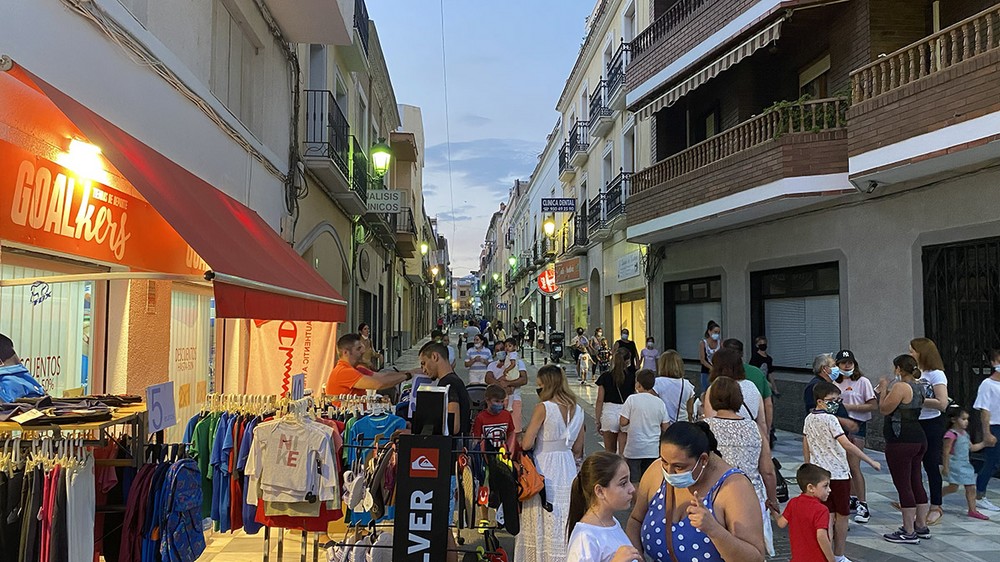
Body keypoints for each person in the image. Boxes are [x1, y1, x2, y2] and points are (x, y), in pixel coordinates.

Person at [625, 421, 766, 561]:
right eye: (664, 462)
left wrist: (714, 530)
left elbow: (755, 557)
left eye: (679, 467)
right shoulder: (656, 471)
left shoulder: (735, 488)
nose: (669, 472)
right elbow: (636, 520)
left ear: (703, 460)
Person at [804, 381, 881, 561]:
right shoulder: (831, 420)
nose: (836, 404)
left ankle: (826, 554)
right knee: (842, 516)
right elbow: (846, 444)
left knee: (826, 516)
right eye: (832, 400)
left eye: (838, 400)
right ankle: (838, 555)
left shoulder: (809, 419)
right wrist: (870, 460)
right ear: (820, 401)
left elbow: (805, 444)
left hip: (818, 475)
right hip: (837, 475)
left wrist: (807, 465)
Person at [703, 376, 778, 556]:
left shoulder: (704, 427)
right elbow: (767, 470)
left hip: (714, 496)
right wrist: (772, 499)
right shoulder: (754, 428)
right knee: (750, 551)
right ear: (738, 398)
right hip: (751, 497)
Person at [516, 365, 585, 562]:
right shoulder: (578, 409)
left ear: (546, 385)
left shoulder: (543, 407)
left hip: (543, 466)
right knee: (564, 515)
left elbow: (528, 442)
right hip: (568, 466)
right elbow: (578, 448)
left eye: (539, 385)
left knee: (539, 515)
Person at [877, 354, 930, 544]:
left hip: (901, 440)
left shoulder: (900, 387)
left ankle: (908, 531)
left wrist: (883, 390)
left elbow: (884, 409)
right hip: (918, 438)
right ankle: (921, 525)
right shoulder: (921, 385)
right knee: (916, 480)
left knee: (903, 484)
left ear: (899, 369)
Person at [566, 452, 642, 562]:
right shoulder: (585, 537)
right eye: (623, 483)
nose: (632, 489)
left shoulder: (611, 521)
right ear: (600, 491)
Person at [831, 349, 877, 524]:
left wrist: (850, 407)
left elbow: (872, 405)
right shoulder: (835, 382)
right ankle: (850, 496)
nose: (847, 366)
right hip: (839, 424)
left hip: (857, 423)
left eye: (849, 363)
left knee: (854, 464)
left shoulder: (862, 382)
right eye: (843, 363)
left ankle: (863, 503)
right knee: (842, 464)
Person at [910, 337, 949, 525]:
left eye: (912, 350)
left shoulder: (936, 375)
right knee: (913, 464)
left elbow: (942, 403)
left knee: (931, 464)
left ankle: (936, 506)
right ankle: (917, 503)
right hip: (915, 421)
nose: (910, 353)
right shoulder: (916, 373)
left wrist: (916, 398)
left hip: (931, 423)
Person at [771, 463, 835, 562]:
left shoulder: (794, 503)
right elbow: (821, 536)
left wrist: (773, 510)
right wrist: (832, 559)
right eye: (825, 486)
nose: (829, 490)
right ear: (811, 488)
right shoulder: (821, 510)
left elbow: (781, 523)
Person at [702, 349, 766, 442]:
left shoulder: (715, 388)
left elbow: (711, 421)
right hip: (749, 440)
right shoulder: (752, 386)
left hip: (723, 442)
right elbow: (762, 421)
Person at [619, 369, 671, 482]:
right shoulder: (659, 402)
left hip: (634, 448)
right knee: (649, 480)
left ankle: (637, 499)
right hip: (652, 449)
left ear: (638, 384)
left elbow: (623, 421)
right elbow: (666, 427)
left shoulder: (632, 400)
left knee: (634, 480)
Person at [942, 407, 990, 520]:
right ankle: (936, 498)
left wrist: (984, 444)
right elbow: (945, 452)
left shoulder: (964, 434)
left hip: (965, 464)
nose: (966, 422)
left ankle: (972, 510)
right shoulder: (951, 435)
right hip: (955, 464)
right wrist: (946, 467)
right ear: (954, 420)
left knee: (970, 487)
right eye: (963, 419)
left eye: (967, 419)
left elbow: (972, 447)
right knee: (953, 487)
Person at [325, 333, 410, 396]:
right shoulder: (343, 371)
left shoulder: (357, 369)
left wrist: (410, 372)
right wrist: (407, 376)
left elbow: (382, 376)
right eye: (358, 349)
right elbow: (378, 383)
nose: (363, 351)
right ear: (346, 353)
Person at [419, 341, 471, 437]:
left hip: (451, 448)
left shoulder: (448, 384)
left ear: (435, 356)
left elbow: (453, 427)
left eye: (424, 363)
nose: (423, 370)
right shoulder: (453, 380)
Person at [723, 339, 773, 435]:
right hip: (754, 427)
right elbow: (768, 404)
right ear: (742, 353)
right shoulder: (756, 372)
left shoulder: (720, 375)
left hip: (726, 430)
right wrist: (767, 431)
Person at [804, 354, 859, 435]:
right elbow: (814, 410)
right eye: (833, 366)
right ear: (824, 369)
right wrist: (843, 421)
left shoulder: (827, 384)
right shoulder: (815, 386)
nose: (837, 369)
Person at [973, 348, 1000, 511]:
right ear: (993, 363)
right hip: (995, 426)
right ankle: (980, 495)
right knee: (992, 462)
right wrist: (987, 432)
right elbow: (985, 410)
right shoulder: (987, 385)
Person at [595, 349, 636, 455]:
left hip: (609, 413)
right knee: (624, 453)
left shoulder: (605, 377)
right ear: (627, 361)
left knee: (610, 452)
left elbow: (599, 400)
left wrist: (598, 420)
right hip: (626, 413)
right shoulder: (632, 376)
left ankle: (611, 471)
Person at [485, 338, 528, 432]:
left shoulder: (518, 362)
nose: (500, 352)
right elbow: (488, 379)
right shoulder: (492, 365)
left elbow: (524, 379)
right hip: (497, 401)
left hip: (515, 400)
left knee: (515, 430)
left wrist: (508, 383)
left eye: (502, 349)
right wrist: (503, 387)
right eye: (497, 350)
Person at [653, 350, 696, 423]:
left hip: (663, 424)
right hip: (682, 424)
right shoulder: (687, 384)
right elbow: (690, 411)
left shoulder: (656, 383)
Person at [473, 384, 515, 451]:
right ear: (487, 401)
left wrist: (509, 448)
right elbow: (476, 438)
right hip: (486, 453)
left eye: (502, 401)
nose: (500, 404)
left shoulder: (506, 415)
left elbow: (511, 433)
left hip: (503, 452)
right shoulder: (480, 417)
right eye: (496, 401)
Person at [698, 320, 722, 393]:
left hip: (718, 371)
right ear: (709, 331)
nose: (717, 334)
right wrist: (711, 368)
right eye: (715, 332)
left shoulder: (720, 343)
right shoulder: (703, 343)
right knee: (705, 391)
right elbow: (702, 359)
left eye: (718, 333)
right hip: (706, 371)